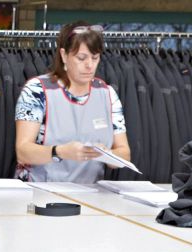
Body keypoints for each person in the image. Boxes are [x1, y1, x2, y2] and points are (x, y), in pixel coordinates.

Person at [14, 22, 131, 183]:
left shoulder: (107, 94)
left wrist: (107, 155)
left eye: (95, 58)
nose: (89, 65)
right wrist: (60, 152)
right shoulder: (37, 90)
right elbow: (23, 151)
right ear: (64, 55)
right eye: (81, 58)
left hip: (91, 194)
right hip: (40, 192)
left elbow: (124, 152)